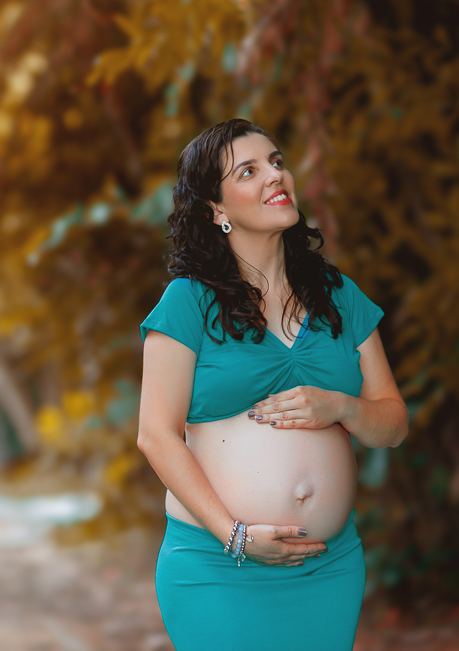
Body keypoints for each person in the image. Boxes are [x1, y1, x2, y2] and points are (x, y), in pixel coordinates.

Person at [136, 118, 408, 650]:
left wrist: (344, 408)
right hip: (220, 565)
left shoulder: (338, 295)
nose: (274, 175)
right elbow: (155, 436)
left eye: (277, 162)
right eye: (248, 171)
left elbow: (393, 424)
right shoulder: (188, 302)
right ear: (216, 210)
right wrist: (235, 537)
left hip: (328, 567)